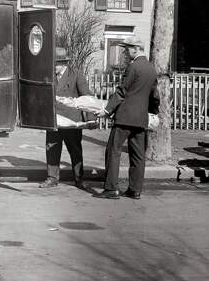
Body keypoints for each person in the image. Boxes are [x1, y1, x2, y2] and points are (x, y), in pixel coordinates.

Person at [95, 35, 159, 199]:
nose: (125, 52)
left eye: (127, 49)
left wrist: (107, 110)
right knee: (138, 155)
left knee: (113, 151)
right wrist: (153, 113)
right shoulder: (152, 69)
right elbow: (155, 96)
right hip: (141, 119)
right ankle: (135, 190)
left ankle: (111, 189)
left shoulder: (133, 67)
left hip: (124, 118)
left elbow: (121, 92)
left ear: (136, 49)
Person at [40, 47, 92, 190]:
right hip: (54, 121)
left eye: (55, 64)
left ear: (63, 63)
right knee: (51, 149)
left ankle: (79, 179)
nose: (52, 67)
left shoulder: (76, 74)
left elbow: (86, 96)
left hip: (71, 122)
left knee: (75, 150)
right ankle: (52, 178)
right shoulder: (49, 76)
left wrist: (90, 118)